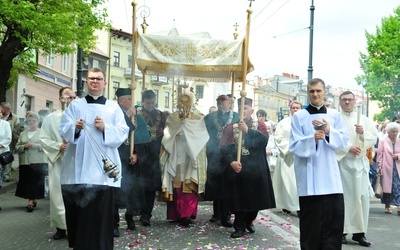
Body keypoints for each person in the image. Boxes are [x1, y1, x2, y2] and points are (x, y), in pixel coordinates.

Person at [59, 68, 129, 250]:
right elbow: (64, 129)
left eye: (99, 79)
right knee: (79, 217)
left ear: (105, 83)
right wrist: (74, 127)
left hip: (103, 174)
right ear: (86, 82)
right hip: (78, 171)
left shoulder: (113, 107)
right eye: (91, 78)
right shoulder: (75, 106)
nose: (95, 81)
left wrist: (106, 127)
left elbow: (122, 133)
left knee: (101, 218)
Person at [289, 78, 349, 249]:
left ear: (324, 92)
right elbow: (293, 144)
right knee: (311, 223)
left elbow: (343, 140)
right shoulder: (299, 116)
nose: (315, 94)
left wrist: (329, 131)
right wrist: (312, 139)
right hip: (309, 176)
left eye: (318, 91)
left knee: (333, 222)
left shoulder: (334, 115)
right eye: (312, 91)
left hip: (330, 177)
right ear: (307, 92)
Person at [220, 97, 275, 238]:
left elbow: (263, 142)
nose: (242, 111)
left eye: (245, 108)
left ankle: (249, 220)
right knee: (239, 199)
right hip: (238, 168)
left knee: (254, 201)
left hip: (256, 169)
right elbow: (224, 147)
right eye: (240, 108)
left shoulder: (260, 125)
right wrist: (231, 161)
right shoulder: (231, 127)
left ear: (251, 110)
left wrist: (248, 131)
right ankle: (239, 226)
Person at [160, 90, 209, 227]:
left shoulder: (198, 117)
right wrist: (180, 129)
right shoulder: (173, 117)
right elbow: (168, 133)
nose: (185, 107)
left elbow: (202, 135)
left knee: (189, 185)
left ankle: (187, 214)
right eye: (182, 103)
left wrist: (189, 129)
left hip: (191, 154)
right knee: (177, 184)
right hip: (177, 152)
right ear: (178, 103)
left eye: (188, 104)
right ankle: (177, 214)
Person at [336, 91, 377, 247]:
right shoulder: (335, 119)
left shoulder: (364, 120)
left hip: (360, 164)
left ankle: (360, 233)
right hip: (343, 163)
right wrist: (347, 148)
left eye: (350, 100)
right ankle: (342, 232)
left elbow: (373, 137)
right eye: (344, 100)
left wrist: (363, 133)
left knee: (362, 198)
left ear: (354, 101)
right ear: (339, 102)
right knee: (345, 199)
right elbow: (331, 138)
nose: (347, 102)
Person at [113, 88, 151, 237]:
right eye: (129, 98)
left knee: (132, 191)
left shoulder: (138, 118)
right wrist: (126, 117)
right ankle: (114, 223)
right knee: (116, 192)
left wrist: (137, 154)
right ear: (121, 101)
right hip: (117, 159)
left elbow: (143, 142)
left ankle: (130, 216)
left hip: (131, 161)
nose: (131, 101)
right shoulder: (114, 115)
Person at [39, 87, 76, 239]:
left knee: (76, 195)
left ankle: (75, 226)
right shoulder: (51, 118)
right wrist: (58, 146)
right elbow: (43, 139)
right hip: (58, 161)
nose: (71, 100)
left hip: (75, 162)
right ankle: (61, 227)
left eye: (73, 97)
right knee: (58, 195)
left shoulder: (80, 117)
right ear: (61, 99)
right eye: (68, 97)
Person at [204, 94, 239, 227]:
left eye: (223, 100)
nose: (220, 102)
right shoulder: (210, 117)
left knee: (228, 184)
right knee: (215, 183)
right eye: (218, 100)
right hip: (213, 153)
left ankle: (226, 214)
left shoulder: (236, 116)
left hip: (229, 154)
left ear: (229, 103)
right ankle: (216, 213)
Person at [136, 89, 169, 226]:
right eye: (147, 101)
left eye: (152, 101)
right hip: (140, 153)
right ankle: (136, 209)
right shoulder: (137, 115)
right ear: (143, 101)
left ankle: (146, 214)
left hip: (156, 154)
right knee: (138, 185)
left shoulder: (161, 115)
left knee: (150, 187)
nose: (150, 104)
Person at [273, 100, 302, 215]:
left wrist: (300, 148)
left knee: (297, 184)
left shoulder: (305, 122)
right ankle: (286, 205)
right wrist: (290, 148)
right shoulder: (283, 123)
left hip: (300, 157)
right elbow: (278, 137)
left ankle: (299, 207)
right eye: (293, 108)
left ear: (301, 109)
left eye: (297, 108)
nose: (295, 109)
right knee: (286, 182)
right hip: (286, 156)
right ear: (290, 109)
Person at [15, 113, 48, 212]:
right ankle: (32, 200)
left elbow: (47, 146)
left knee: (35, 182)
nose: (31, 123)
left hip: (39, 161)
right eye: (29, 121)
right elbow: (17, 146)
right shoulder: (23, 133)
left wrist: (37, 146)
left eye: (33, 121)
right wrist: (23, 146)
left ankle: (30, 202)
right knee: (27, 182)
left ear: (38, 122)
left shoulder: (43, 133)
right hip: (25, 161)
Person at [376, 122, 400, 215]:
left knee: (397, 186)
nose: (395, 133)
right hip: (386, 167)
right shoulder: (383, 141)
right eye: (393, 131)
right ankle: (387, 205)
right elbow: (380, 154)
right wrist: (379, 166)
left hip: (397, 167)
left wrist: (397, 156)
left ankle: (399, 206)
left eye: (396, 131)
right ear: (388, 132)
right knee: (387, 188)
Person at [1, 102, 19, 182]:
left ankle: (6, 175)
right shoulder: (3, 117)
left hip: (10, 143)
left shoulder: (14, 117)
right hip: (4, 141)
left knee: (7, 159)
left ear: (6, 109)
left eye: (2, 108)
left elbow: (18, 129)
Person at [0, 106, 12, 211]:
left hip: (1, 155)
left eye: (0, 111)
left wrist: (0, 145)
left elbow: (8, 138)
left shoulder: (5, 124)